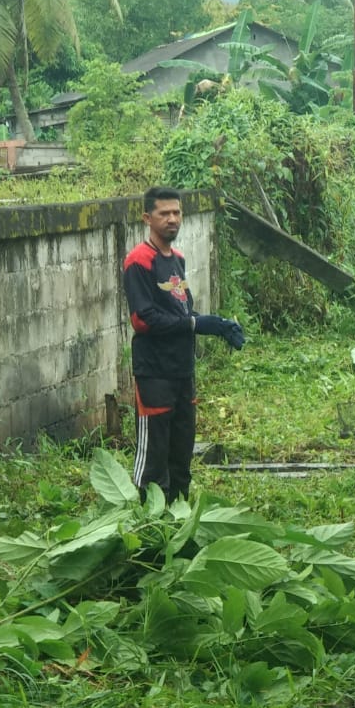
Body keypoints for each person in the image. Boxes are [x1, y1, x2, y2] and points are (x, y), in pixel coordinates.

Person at [123, 186, 245, 503]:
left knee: (181, 454)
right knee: (154, 459)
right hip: (155, 372)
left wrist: (214, 324)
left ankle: (178, 520)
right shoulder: (139, 261)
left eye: (176, 212)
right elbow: (143, 319)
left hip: (182, 371)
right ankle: (151, 527)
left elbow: (182, 311)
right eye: (164, 213)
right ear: (147, 218)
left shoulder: (177, 259)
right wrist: (193, 323)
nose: (172, 219)